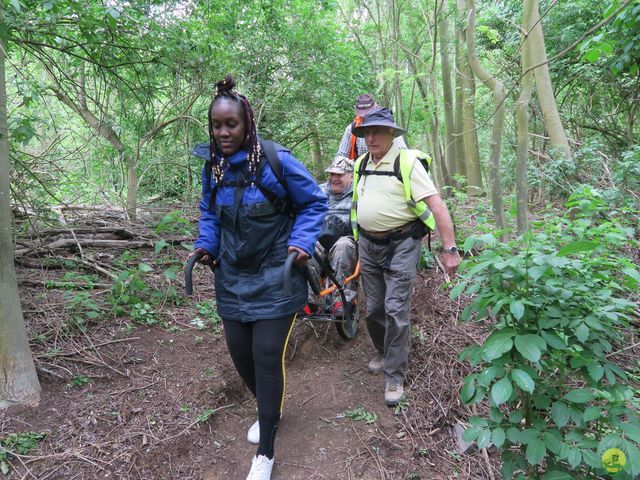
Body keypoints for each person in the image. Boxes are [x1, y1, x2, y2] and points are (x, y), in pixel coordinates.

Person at [189, 74, 328, 480]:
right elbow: (210, 212)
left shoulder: (274, 160)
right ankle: (272, 407)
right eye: (217, 125)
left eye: (230, 124)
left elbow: (314, 203)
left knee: (266, 354)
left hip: (277, 274)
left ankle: (265, 452)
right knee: (240, 353)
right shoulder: (213, 167)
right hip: (232, 276)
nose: (223, 132)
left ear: (247, 123)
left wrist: (301, 243)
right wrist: (206, 246)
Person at [349, 107, 461, 407]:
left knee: (395, 308)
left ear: (391, 134)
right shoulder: (361, 164)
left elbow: (437, 206)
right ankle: (384, 352)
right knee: (373, 309)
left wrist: (450, 249)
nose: (371, 138)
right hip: (369, 246)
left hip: (401, 244)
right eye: (366, 133)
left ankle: (395, 376)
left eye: (378, 132)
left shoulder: (407, 162)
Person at [305, 155, 357, 316]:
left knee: (343, 247)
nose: (334, 178)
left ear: (351, 176)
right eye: (331, 174)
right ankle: (308, 299)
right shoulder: (318, 191)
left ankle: (342, 299)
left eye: (339, 175)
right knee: (306, 248)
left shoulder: (358, 193)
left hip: (346, 237)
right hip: (320, 236)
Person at [336, 93, 408, 160]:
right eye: (361, 115)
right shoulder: (351, 128)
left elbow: (402, 151)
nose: (364, 117)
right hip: (360, 171)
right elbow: (341, 156)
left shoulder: (387, 126)